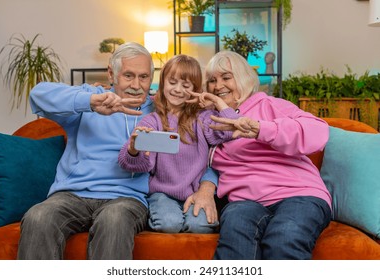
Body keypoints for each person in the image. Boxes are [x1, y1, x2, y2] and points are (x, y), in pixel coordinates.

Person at [17, 42, 156, 260]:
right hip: (72, 195)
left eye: (144, 77)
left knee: (114, 219)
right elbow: (38, 95)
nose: (136, 85)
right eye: (128, 75)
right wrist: (90, 102)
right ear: (112, 74)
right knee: (39, 216)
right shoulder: (91, 98)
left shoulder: (159, 109)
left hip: (126, 198)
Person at [192, 50, 332, 260]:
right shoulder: (208, 122)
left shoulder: (268, 105)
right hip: (244, 202)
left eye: (226, 77)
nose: (218, 85)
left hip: (298, 194)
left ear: (243, 79)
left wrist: (260, 129)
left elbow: (318, 132)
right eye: (212, 80)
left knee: (283, 239)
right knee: (234, 248)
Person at [118, 54, 237, 234]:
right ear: (163, 82)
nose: (178, 90)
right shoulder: (152, 121)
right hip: (162, 194)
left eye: (186, 85)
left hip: (196, 192)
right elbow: (137, 164)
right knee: (169, 223)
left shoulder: (203, 118)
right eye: (172, 82)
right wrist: (134, 150)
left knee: (200, 226)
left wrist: (217, 103)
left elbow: (229, 131)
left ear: (195, 89)